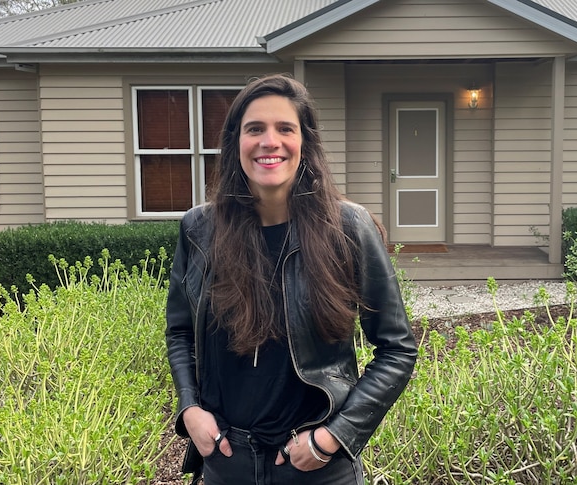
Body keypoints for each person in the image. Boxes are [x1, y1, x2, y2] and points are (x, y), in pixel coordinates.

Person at [165, 73, 418, 485]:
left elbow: (397, 349)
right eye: (254, 129)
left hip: (315, 468)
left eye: (285, 128)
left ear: (305, 142)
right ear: (235, 144)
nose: (270, 142)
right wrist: (190, 409)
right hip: (226, 463)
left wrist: (333, 437)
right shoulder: (199, 229)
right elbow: (179, 332)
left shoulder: (348, 228)